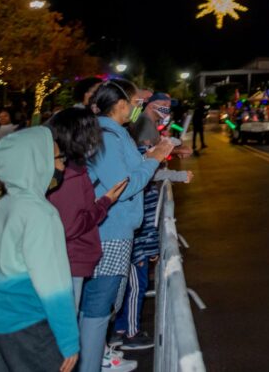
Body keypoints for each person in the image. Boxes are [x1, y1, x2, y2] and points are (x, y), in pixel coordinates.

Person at [78, 80, 173, 372]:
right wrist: (155, 159)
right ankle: (90, 363)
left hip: (117, 229)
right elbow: (125, 184)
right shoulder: (106, 136)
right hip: (109, 232)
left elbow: (127, 172)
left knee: (107, 303)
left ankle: (95, 358)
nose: (137, 109)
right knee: (99, 306)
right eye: (135, 102)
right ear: (120, 105)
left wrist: (147, 158)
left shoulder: (116, 134)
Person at [0, 127, 79, 372]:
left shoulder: (3, 206)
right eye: (58, 158)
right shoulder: (41, 214)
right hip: (29, 323)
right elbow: (54, 285)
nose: (62, 166)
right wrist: (69, 339)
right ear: (36, 163)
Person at [114, 93, 193, 351]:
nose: (166, 110)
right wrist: (179, 172)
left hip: (136, 222)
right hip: (135, 223)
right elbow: (148, 168)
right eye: (162, 106)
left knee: (130, 282)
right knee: (136, 282)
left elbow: (150, 163)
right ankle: (129, 332)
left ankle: (123, 328)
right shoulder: (139, 131)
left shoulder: (135, 132)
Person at [46, 108, 129, 308]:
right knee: (64, 330)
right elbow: (72, 225)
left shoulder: (59, 167)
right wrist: (105, 202)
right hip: (69, 261)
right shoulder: (69, 173)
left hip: (63, 260)